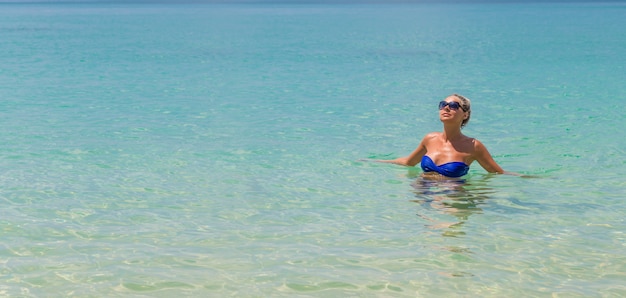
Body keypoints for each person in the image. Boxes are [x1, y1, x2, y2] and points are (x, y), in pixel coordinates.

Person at [376, 94, 515, 178]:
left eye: (454, 105)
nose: (446, 108)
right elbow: (408, 162)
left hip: (453, 199)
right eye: (443, 104)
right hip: (423, 195)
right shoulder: (429, 139)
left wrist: (529, 177)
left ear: (465, 114)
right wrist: (378, 162)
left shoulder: (473, 146)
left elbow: (497, 173)